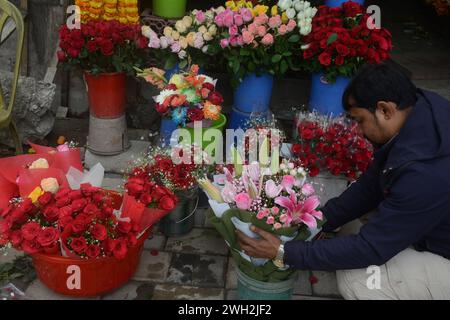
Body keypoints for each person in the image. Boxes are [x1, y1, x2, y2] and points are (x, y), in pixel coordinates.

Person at [236, 63, 450, 300]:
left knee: (359, 281)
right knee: (348, 231)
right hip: (430, 226)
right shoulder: (422, 108)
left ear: (385, 110)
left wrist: (283, 252)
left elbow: (371, 249)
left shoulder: (425, 172)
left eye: (359, 121)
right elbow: (370, 185)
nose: (357, 130)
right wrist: (318, 222)